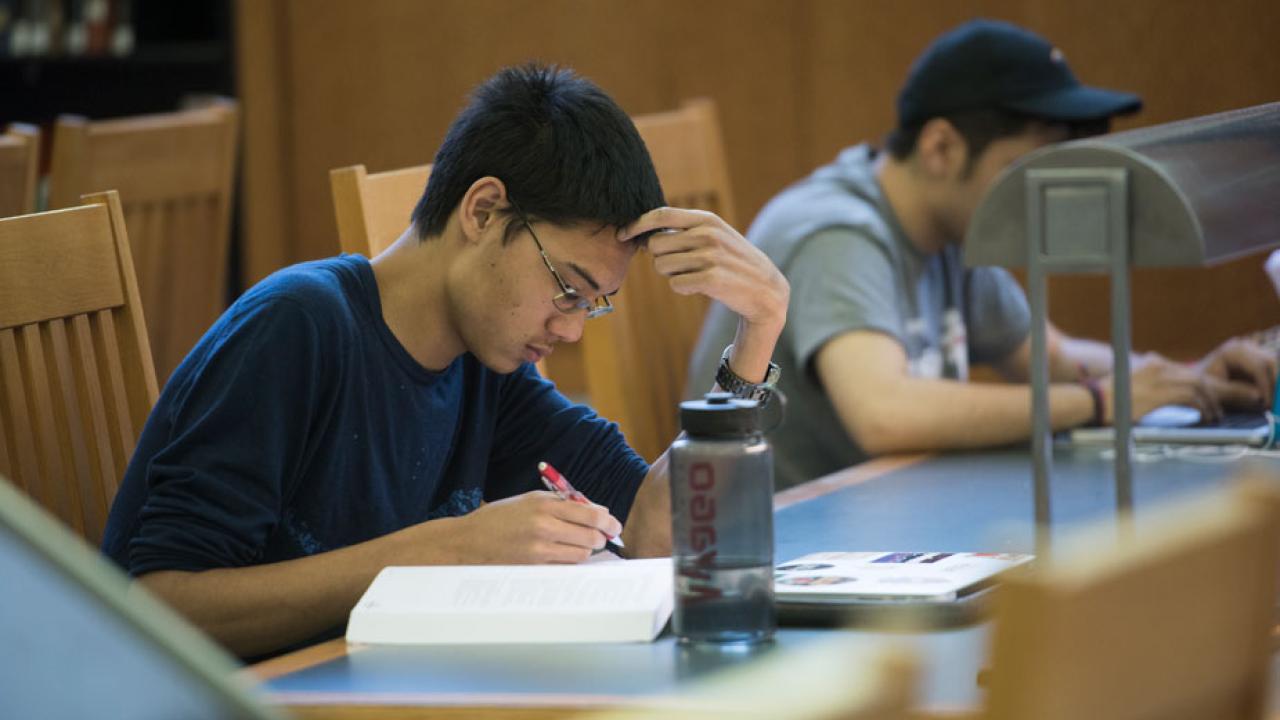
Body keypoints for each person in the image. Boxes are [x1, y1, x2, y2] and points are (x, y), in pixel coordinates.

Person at [102, 64, 789, 659]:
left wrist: (756, 335)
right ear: (484, 210)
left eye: (594, 303)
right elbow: (159, 605)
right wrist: (444, 551)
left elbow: (652, 534)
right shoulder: (298, 327)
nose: (573, 328)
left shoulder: (491, 369)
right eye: (567, 288)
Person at [687, 19, 1275, 489]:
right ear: (942, 147)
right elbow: (884, 413)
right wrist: (1098, 402)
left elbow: (1054, 357)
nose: (1041, 196)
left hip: (894, 515)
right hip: (795, 543)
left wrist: (1184, 380)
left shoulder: (952, 231)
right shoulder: (837, 232)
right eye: (1026, 168)